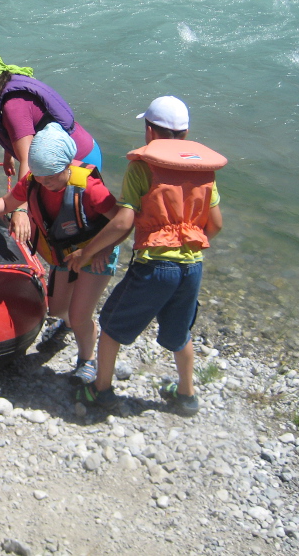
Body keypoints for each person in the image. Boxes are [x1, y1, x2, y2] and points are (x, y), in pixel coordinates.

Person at [67, 97, 226, 416]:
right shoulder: (203, 169)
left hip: (156, 266)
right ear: (185, 133)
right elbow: (216, 224)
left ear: (151, 131)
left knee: (111, 326)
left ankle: (102, 390)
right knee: (180, 332)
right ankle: (186, 396)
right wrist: (188, 246)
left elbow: (123, 223)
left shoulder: (142, 167)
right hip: (192, 266)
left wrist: (87, 251)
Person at [0, 123, 119, 383]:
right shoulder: (36, 180)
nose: (45, 182)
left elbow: (121, 221)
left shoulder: (90, 188)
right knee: (56, 308)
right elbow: (8, 202)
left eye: (51, 177)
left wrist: (101, 250)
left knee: (80, 315)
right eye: (40, 177)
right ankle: (68, 324)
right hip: (66, 252)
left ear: (67, 166)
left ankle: (87, 359)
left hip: (96, 253)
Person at [0, 50, 103, 243]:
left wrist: (21, 209)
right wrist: (8, 155)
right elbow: (20, 132)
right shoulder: (6, 87)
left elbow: (28, 159)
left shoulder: (13, 106)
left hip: (77, 160)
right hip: (83, 146)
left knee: (73, 221)